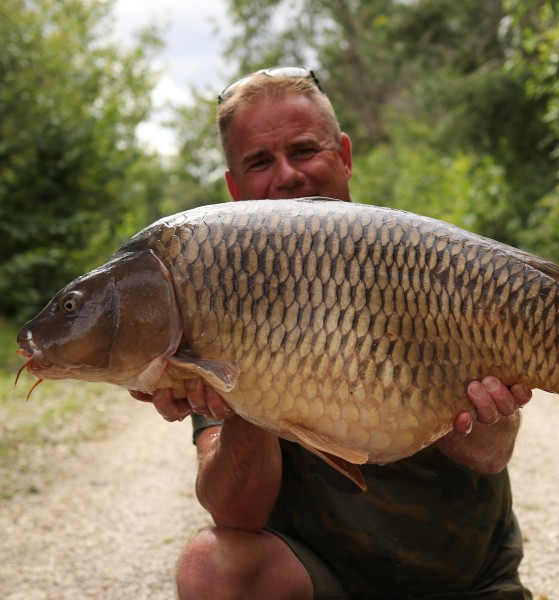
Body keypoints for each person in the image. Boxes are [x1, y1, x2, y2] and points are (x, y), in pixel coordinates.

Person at [135, 67, 533, 599]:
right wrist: (245, 403)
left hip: (469, 586)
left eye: (303, 151)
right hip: (323, 584)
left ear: (343, 155)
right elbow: (234, 512)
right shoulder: (214, 295)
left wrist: (490, 410)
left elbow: (492, 454)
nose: (287, 175)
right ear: (234, 188)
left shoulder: (426, 261)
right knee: (211, 569)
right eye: (259, 161)